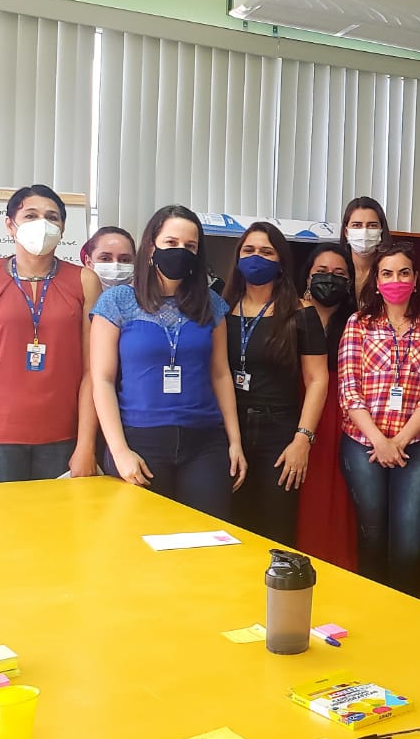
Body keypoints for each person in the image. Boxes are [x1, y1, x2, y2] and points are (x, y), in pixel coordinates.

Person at [0, 184, 100, 485]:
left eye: (52, 217)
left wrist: (86, 445)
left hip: (64, 438)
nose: (43, 224)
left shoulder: (84, 281)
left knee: (59, 529)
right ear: (10, 225)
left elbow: (93, 371)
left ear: (63, 228)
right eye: (31, 215)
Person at [90, 205, 246, 517]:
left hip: (204, 443)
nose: (181, 252)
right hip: (140, 440)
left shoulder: (212, 304)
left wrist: (235, 442)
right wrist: (120, 452)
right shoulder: (116, 301)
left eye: (190, 246)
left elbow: (220, 375)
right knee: (144, 545)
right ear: (151, 247)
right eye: (171, 243)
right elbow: (102, 380)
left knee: (206, 541)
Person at [338, 240, 420, 594]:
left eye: (404, 272)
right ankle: (372, 609)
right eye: (387, 273)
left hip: (413, 445)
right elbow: (348, 389)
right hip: (363, 444)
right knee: (371, 533)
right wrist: (379, 441)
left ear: (416, 279)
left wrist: (398, 442)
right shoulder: (358, 324)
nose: (395, 279)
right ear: (376, 280)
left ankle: (404, 614)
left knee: (408, 538)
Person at [223, 223, 329, 546]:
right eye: (249, 251)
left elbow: (317, 379)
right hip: (228, 431)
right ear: (238, 257)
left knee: (275, 531)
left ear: (281, 261)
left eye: (267, 252)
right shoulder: (221, 308)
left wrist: (303, 440)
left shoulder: (301, 313)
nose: (257, 258)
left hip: (279, 434)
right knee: (231, 527)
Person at [295, 243, 359, 569]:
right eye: (321, 272)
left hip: (343, 414)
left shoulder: (357, 322)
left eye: (338, 274)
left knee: (337, 494)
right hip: (296, 410)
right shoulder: (289, 313)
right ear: (307, 275)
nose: (329, 279)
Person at [341, 195, 392, 307]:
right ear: (346, 232)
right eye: (357, 225)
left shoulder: (391, 272)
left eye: (372, 225)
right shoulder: (337, 270)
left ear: (381, 230)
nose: (364, 232)